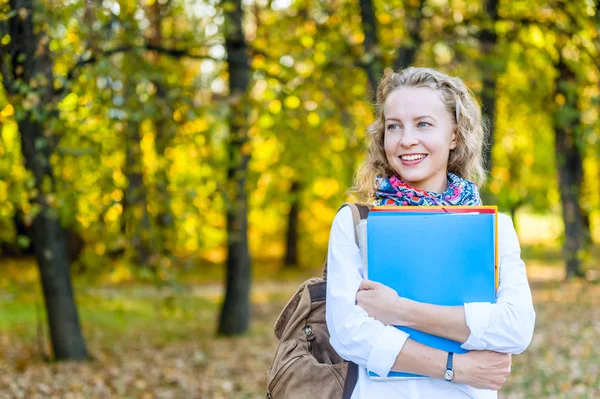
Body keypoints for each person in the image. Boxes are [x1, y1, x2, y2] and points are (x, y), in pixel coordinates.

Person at [325, 67, 536, 399]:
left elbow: (516, 328)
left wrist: (399, 310)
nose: (407, 139)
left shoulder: (491, 226)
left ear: (454, 135)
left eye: (423, 123)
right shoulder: (356, 224)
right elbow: (349, 333)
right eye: (394, 126)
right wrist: (457, 367)